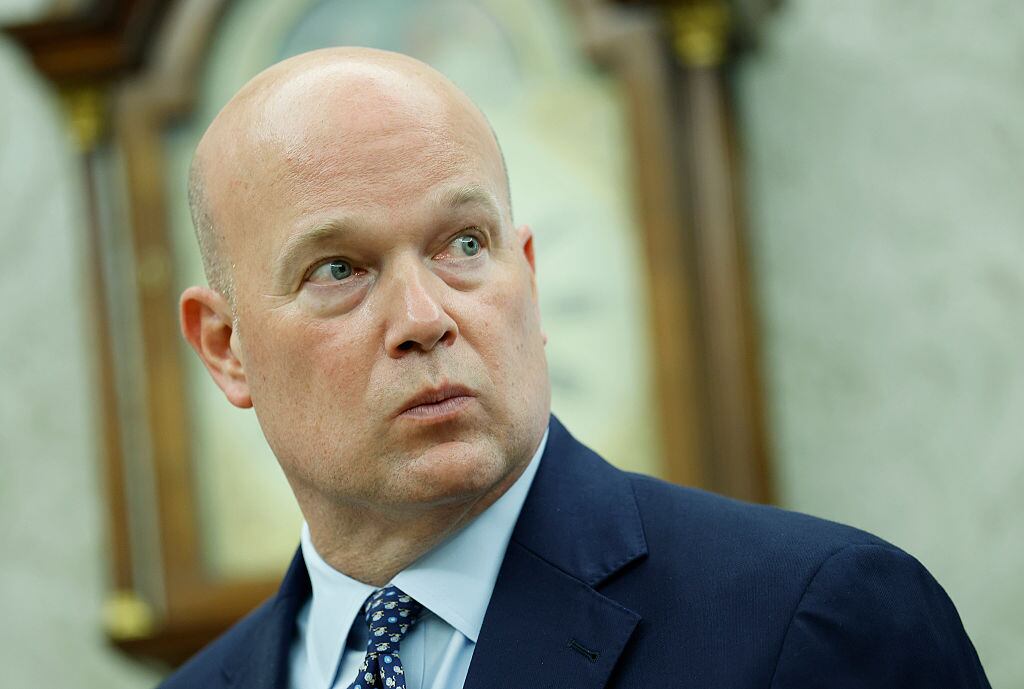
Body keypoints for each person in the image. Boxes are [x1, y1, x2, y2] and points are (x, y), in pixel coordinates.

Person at [160, 47, 990, 689]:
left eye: (463, 245)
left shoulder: (813, 619)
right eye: (339, 268)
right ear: (227, 349)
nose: (425, 318)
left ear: (527, 273)